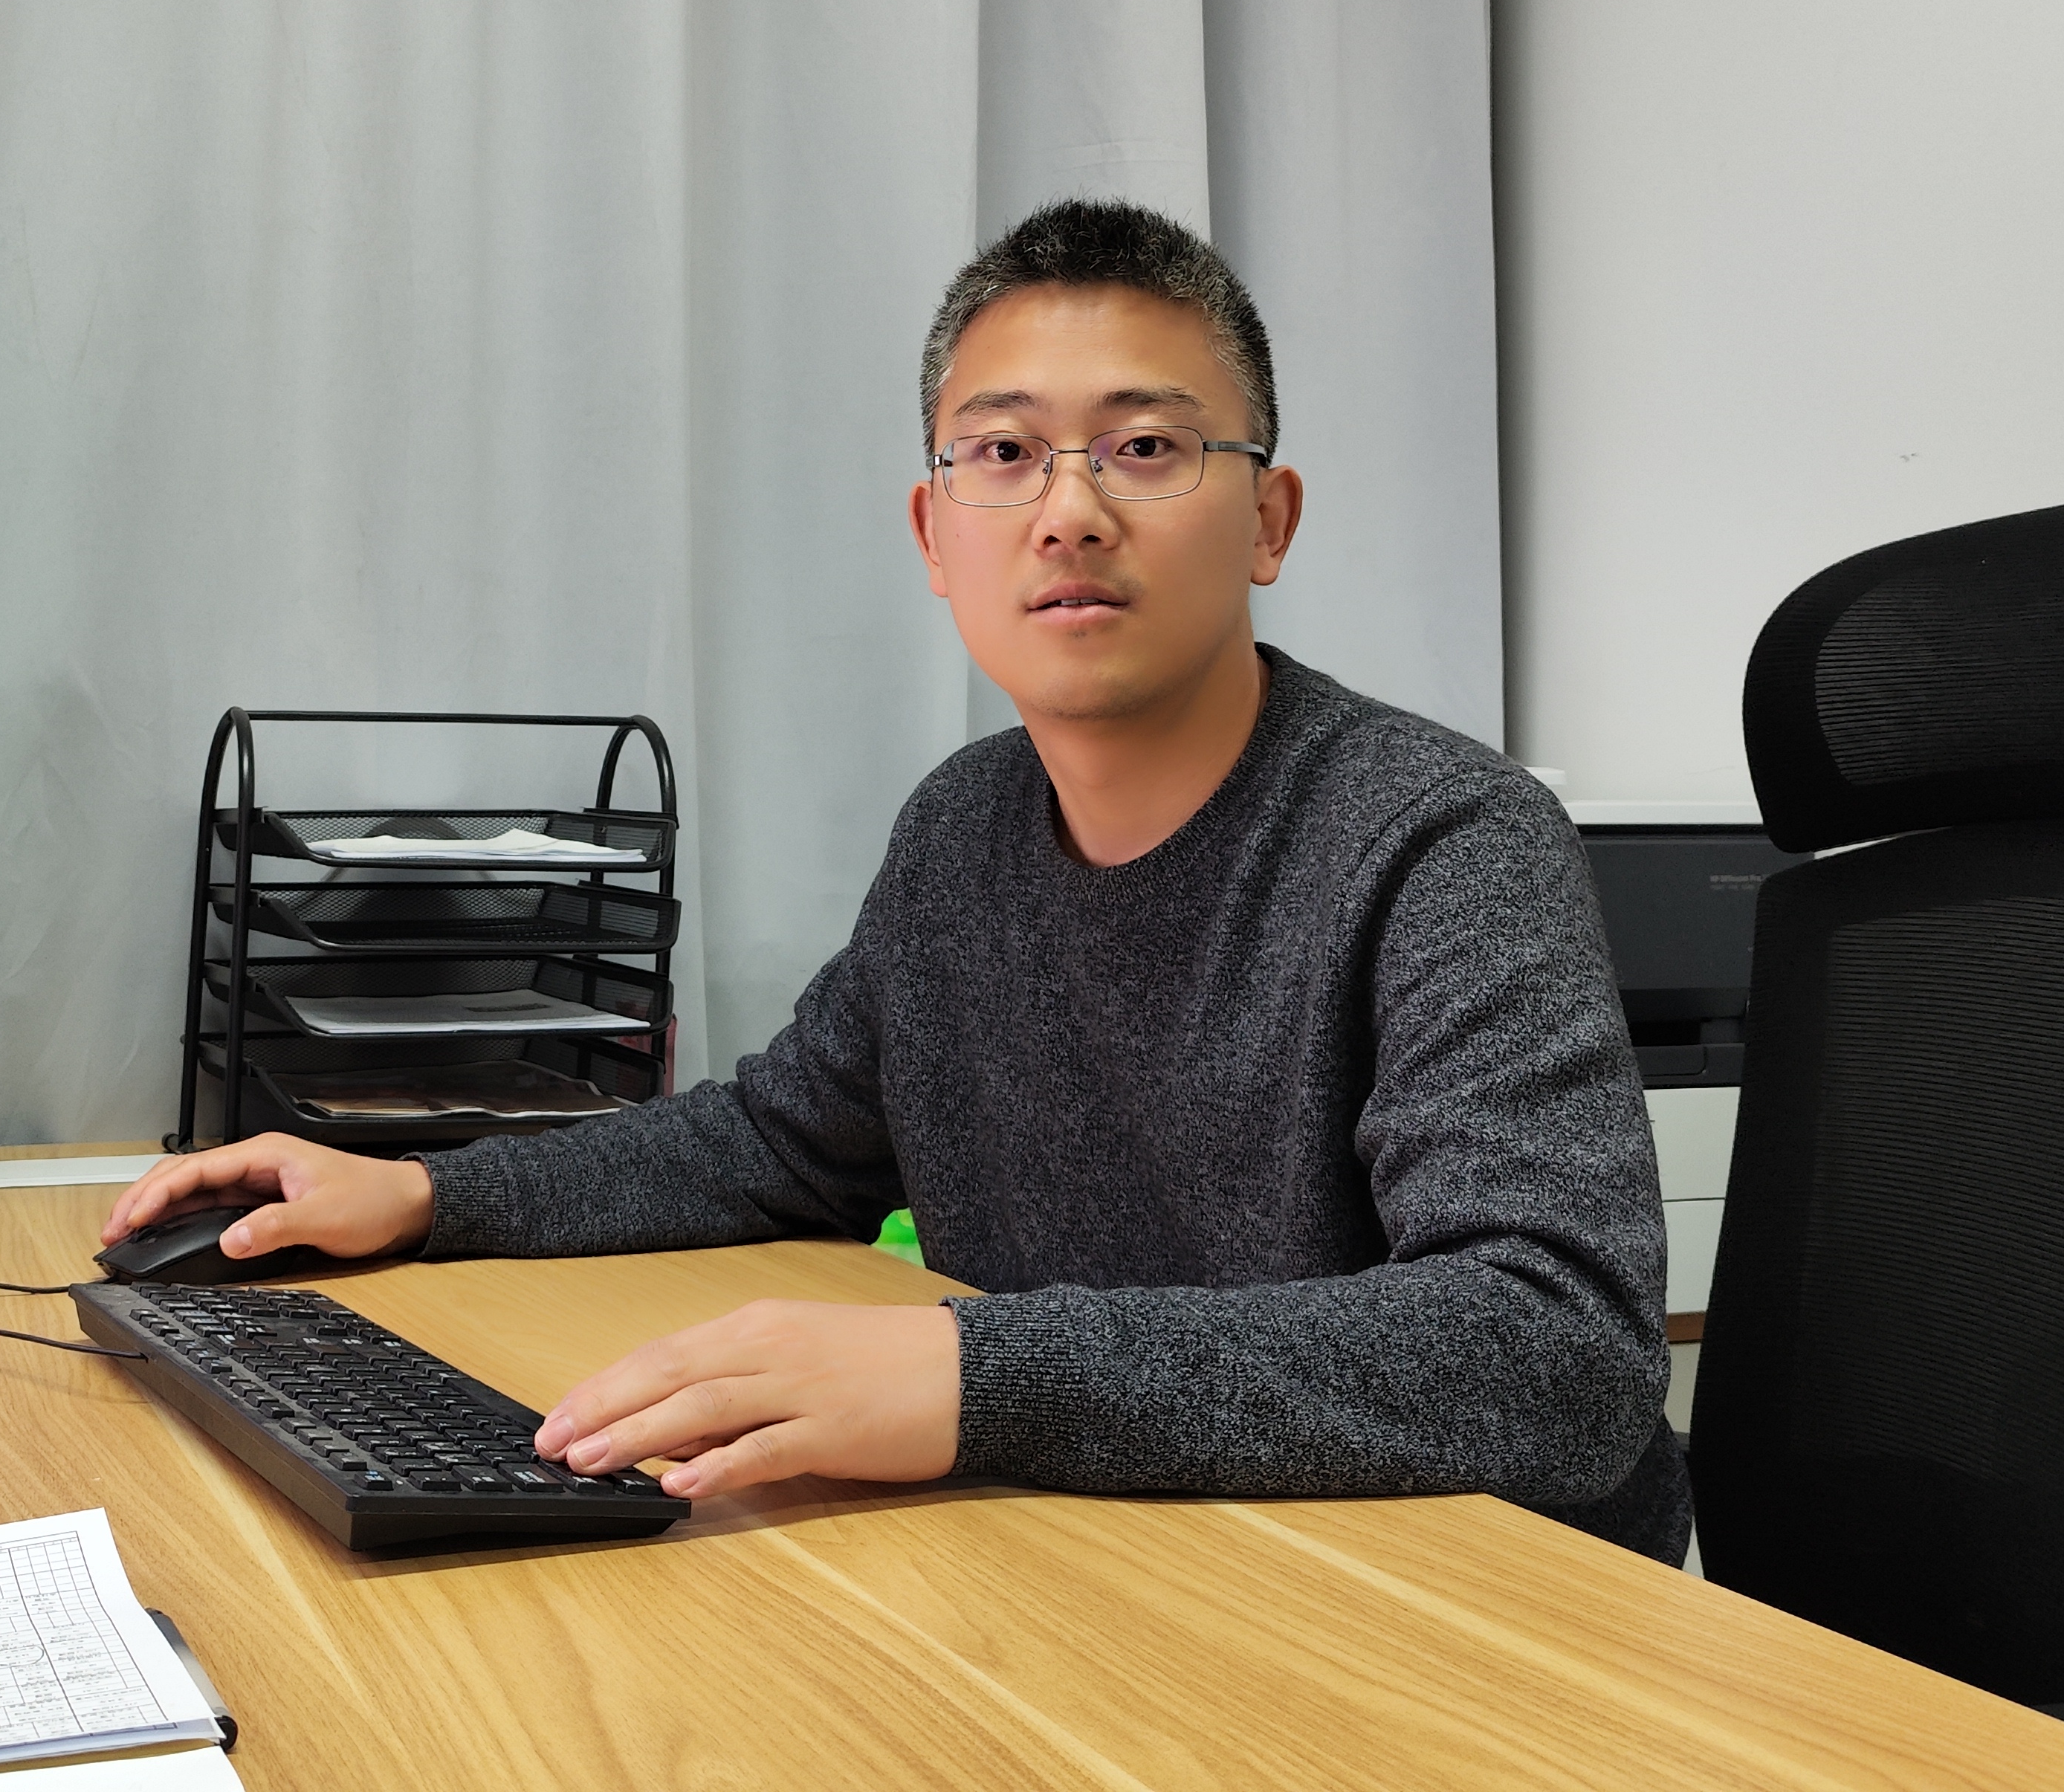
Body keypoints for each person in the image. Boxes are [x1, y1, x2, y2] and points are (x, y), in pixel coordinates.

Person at [107, 199, 1686, 1562]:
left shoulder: (1440, 837)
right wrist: (426, 1193)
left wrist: (965, 1374)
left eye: (1145, 447)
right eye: (1004, 454)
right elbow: (773, 1144)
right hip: (1138, 1557)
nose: (1069, 510)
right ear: (936, 536)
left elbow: (1552, 1348)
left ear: (1267, 520)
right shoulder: (962, 832)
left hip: (1467, 1611)